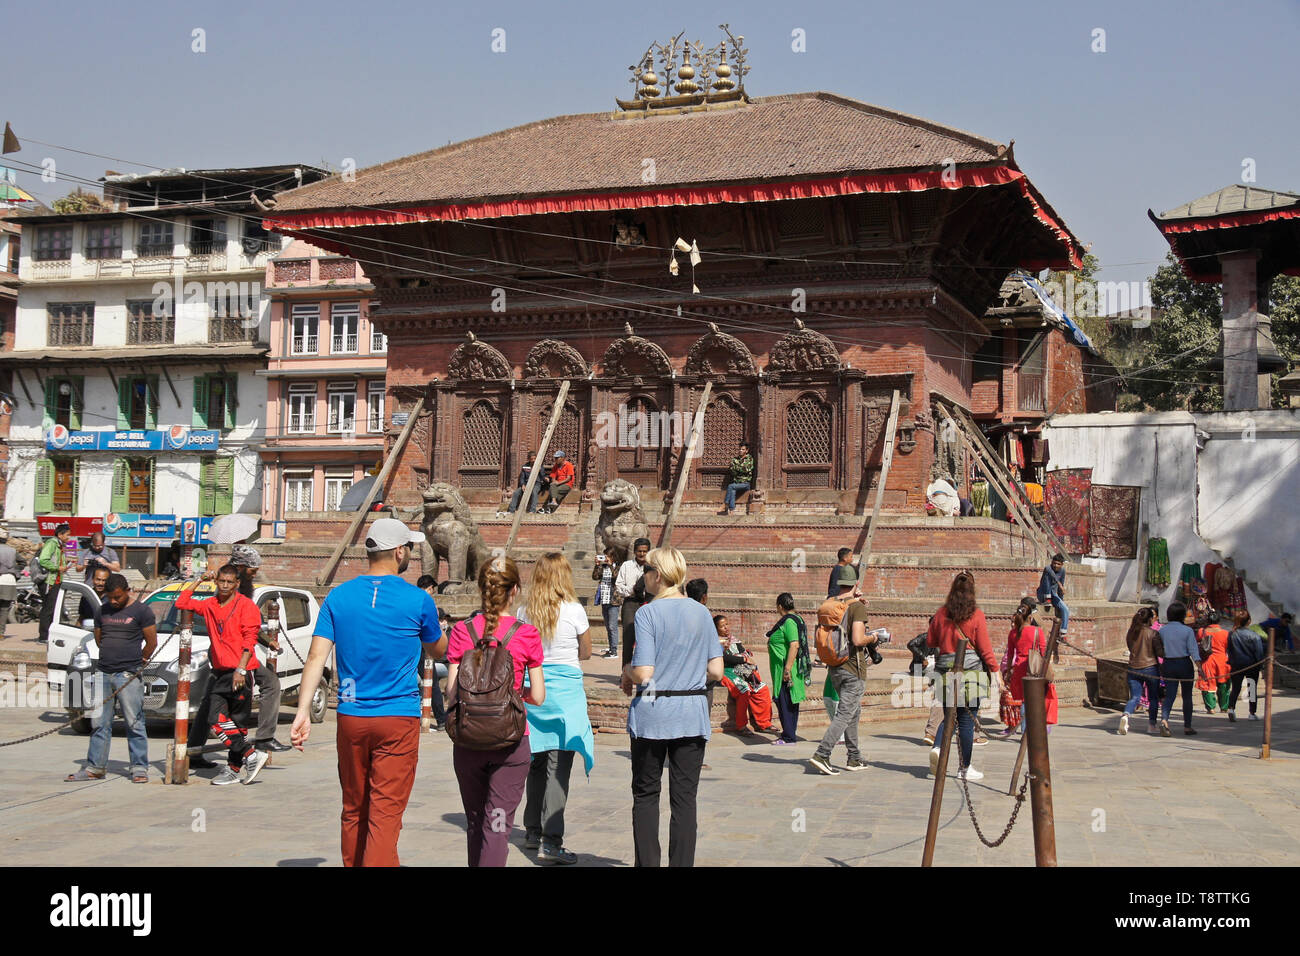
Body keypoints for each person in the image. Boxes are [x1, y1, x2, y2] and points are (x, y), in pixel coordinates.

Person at [291, 518, 444, 866]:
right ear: (400, 552)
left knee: (354, 806)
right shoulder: (418, 600)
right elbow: (438, 651)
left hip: (352, 715)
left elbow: (317, 656)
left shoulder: (338, 596)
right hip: (397, 718)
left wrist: (303, 710)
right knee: (385, 813)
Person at [622, 547, 722, 867]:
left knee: (647, 796)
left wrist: (627, 671)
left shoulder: (648, 612)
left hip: (653, 711)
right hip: (691, 711)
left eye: (647, 568)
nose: (644, 574)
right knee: (684, 800)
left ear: (659, 575)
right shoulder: (701, 612)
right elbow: (717, 672)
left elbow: (644, 672)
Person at [446, 555, 545, 867]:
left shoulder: (463, 631)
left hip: (468, 741)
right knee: (498, 826)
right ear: (514, 590)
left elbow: (452, 694)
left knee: (475, 822)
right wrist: (515, 695)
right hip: (511, 743)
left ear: (481, 589)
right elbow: (539, 696)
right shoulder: (526, 633)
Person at [516, 552, 594, 865]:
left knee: (536, 760)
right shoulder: (574, 610)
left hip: (532, 689)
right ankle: (551, 839)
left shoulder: (524, 610)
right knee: (558, 765)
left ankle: (533, 829)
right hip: (565, 693)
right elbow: (586, 652)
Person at [175, 566, 267, 785]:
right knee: (216, 718)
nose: (225, 586)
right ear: (216, 581)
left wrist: (241, 670)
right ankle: (249, 754)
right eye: (221, 581)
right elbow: (182, 602)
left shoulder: (246, 606)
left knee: (238, 724)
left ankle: (234, 768)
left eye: (229, 582)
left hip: (240, 672)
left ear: (236, 583)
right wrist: (199, 580)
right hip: (219, 671)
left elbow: (249, 640)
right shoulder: (210, 605)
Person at [64, 574, 157, 783]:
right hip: (103, 672)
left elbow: (151, 642)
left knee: (134, 722)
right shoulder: (102, 610)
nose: (113, 601)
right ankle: (95, 767)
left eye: (117, 597)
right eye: (110, 597)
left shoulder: (142, 611)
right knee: (99, 722)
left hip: (128, 674)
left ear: (127, 591)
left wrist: (138, 661)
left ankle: (139, 767)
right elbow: (99, 639)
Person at [925, 572, 1002, 782]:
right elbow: (985, 648)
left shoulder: (941, 614)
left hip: (945, 673)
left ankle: (939, 748)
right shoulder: (976, 615)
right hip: (971, 674)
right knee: (967, 722)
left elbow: (931, 641)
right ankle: (964, 768)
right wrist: (996, 673)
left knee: (949, 715)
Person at [808, 567, 877, 775]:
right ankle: (822, 753)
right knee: (845, 713)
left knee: (852, 713)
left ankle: (854, 757)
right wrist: (873, 638)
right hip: (853, 668)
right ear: (856, 584)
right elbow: (857, 639)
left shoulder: (830, 604)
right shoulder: (856, 608)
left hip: (835, 666)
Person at [230, 544, 290, 755]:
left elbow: (249, 622)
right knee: (235, 699)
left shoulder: (245, 588)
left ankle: (262, 738)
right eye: (252, 571)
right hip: (234, 651)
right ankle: (255, 742)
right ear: (240, 567)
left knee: (269, 683)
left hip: (245, 648)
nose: (254, 576)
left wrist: (266, 640)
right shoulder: (229, 585)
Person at [997, 598, 1057, 736]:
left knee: (1024, 701)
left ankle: (1025, 732)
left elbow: (1011, 654)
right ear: (1030, 617)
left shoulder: (1013, 633)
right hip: (1034, 669)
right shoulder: (1037, 632)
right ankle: (1033, 731)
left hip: (1019, 669)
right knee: (1035, 699)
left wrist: (1007, 672)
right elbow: (1043, 654)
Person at [714, 613, 778, 736]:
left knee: (762, 688)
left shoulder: (733, 640)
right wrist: (743, 660)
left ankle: (764, 723)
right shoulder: (716, 642)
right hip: (727, 671)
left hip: (741, 670)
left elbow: (743, 652)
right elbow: (725, 658)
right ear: (716, 629)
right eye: (722, 626)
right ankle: (741, 725)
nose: (726, 627)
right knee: (744, 690)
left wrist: (746, 659)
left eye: (727, 624)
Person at [1156, 601, 1203, 737]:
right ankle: (1187, 726)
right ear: (1182, 615)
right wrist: (1200, 669)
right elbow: (1194, 651)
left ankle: (1164, 720)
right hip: (1184, 664)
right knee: (1187, 696)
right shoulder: (1187, 631)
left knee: (1169, 695)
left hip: (1168, 664)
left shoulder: (1162, 630)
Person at [767, 592, 806, 744]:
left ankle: (789, 736)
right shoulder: (796, 618)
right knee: (789, 702)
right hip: (787, 668)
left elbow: (794, 644)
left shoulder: (789, 622)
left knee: (785, 702)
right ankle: (789, 734)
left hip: (787, 669)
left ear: (780, 606)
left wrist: (787, 669)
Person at [1119, 607, 1162, 736]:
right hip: (1150, 667)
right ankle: (1152, 725)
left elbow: (1131, 648)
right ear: (1149, 619)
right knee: (1153, 698)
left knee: (1135, 697)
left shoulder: (1131, 633)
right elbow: (1159, 652)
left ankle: (1126, 715)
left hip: (1133, 667)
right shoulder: (1153, 633)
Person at [416, 574, 447, 729]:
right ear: (427, 588)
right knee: (432, 684)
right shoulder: (428, 604)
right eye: (431, 590)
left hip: (409, 647)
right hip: (424, 648)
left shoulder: (410, 601)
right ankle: (441, 719)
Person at [617, 537, 651, 667]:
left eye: (644, 551)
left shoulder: (652, 568)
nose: (642, 554)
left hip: (648, 604)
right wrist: (633, 590)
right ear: (634, 551)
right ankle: (626, 670)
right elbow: (619, 586)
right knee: (628, 638)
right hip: (630, 604)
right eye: (639, 551)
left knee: (646, 639)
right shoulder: (627, 566)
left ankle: (642, 669)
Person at [1226, 610, 1265, 722]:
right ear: (1249, 621)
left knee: (1235, 688)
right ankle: (1252, 713)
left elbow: (1229, 650)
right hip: (1252, 665)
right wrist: (1260, 665)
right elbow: (1259, 653)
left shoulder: (1232, 634)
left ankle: (1231, 708)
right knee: (1252, 689)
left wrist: (1232, 662)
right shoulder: (1254, 635)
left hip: (1236, 665)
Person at [36, 523, 71, 644]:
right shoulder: (52, 543)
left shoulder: (60, 546)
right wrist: (57, 568)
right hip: (48, 582)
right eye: (67, 535)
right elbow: (43, 559)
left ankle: (50, 634)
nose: (69, 538)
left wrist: (64, 566)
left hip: (56, 581)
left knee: (53, 609)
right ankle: (43, 637)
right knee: (48, 609)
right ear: (60, 534)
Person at [1195, 612, 1231, 715]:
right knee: (1223, 685)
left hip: (1207, 661)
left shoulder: (1202, 632)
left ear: (1208, 621)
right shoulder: (1225, 633)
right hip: (1222, 661)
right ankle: (1224, 707)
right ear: (1219, 621)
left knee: (1208, 684)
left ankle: (1210, 708)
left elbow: (1198, 641)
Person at [592, 545, 620, 659]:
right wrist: (597, 565)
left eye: (608, 556)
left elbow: (616, 578)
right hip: (604, 599)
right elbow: (595, 577)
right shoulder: (603, 567)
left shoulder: (618, 566)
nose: (606, 558)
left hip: (613, 600)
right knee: (608, 626)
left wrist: (610, 566)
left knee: (613, 626)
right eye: (605, 556)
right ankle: (610, 648)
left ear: (613, 557)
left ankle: (614, 651)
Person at [1036, 553, 1069, 636]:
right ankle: (1048, 599)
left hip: (1053, 595)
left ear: (1062, 565)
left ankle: (1063, 632)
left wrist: (1061, 600)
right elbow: (1053, 575)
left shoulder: (1062, 571)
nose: (1055, 565)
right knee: (1047, 576)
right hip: (1043, 593)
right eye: (1054, 563)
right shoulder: (1048, 568)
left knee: (1065, 609)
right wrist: (1060, 585)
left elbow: (1061, 585)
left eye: (1058, 564)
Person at [720, 440, 756, 516]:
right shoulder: (735, 459)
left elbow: (746, 470)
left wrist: (737, 467)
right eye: (740, 449)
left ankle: (725, 503)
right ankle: (731, 510)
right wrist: (739, 468)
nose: (740, 450)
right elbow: (733, 471)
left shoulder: (750, 459)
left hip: (745, 484)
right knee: (732, 489)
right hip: (736, 483)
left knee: (730, 486)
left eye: (743, 449)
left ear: (746, 450)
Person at [0, 526, 24, 638]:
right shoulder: (13, 550)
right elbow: (23, 562)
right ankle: (0, 633)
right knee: (4, 608)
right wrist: (15, 572)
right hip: (9, 581)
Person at [502, 451, 540, 517]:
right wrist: (523, 485)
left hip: (536, 484)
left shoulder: (539, 466)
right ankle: (511, 510)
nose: (533, 460)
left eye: (534, 459)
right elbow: (522, 477)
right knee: (516, 492)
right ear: (529, 459)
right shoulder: (525, 467)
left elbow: (542, 476)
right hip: (526, 484)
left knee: (534, 492)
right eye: (532, 459)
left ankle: (532, 510)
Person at [539, 450, 575, 514]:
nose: (555, 459)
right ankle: (550, 507)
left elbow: (568, 478)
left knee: (553, 489)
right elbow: (553, 477)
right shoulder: (556, 466)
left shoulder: (569, 465)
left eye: (557, 458)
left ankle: (549, 505)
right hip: (557, 484)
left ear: (562, 458)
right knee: (553, 486)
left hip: (567, 484)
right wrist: (554, 481)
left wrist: (558, 483)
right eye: (555, 458)